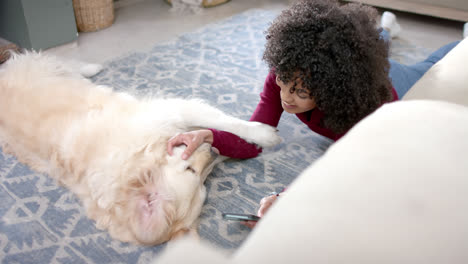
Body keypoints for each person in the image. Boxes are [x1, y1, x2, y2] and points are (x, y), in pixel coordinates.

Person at [166, 0, 463, 227]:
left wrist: (286, 198)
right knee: (369, 42)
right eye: (282, 82)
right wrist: (209, 135)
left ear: (331, 90)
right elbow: (256, 136)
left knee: (434, 66)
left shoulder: (364, 111)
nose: (285, 97)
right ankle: (385, 28)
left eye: (301, 93)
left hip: (396, 84)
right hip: (357, 67)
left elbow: (342, 169)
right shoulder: (287, 74)